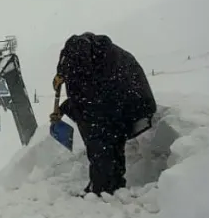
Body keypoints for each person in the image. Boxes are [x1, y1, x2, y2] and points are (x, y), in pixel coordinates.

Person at [50, 32, 156, 197]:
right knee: (113, 138)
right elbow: (84, 99)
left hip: (123, 100)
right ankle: (115, 185)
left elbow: (88, 103)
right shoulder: (96, 56)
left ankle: (100, 190)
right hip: (133, 100)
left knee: (99, 139)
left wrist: (66, 107)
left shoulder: (86, 63)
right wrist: (61, 109)